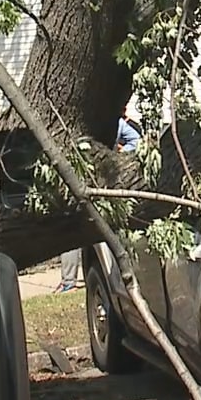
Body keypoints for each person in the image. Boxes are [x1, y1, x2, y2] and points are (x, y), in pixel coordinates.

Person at [56, 111, 143, 292]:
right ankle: (115, 273)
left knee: (74, 231)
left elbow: (135, 139)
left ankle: (69, 281)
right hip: (104, 180)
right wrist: (118, 155)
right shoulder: (115, 122)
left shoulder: (75, 120)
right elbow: (136, 140)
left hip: (80, 180)